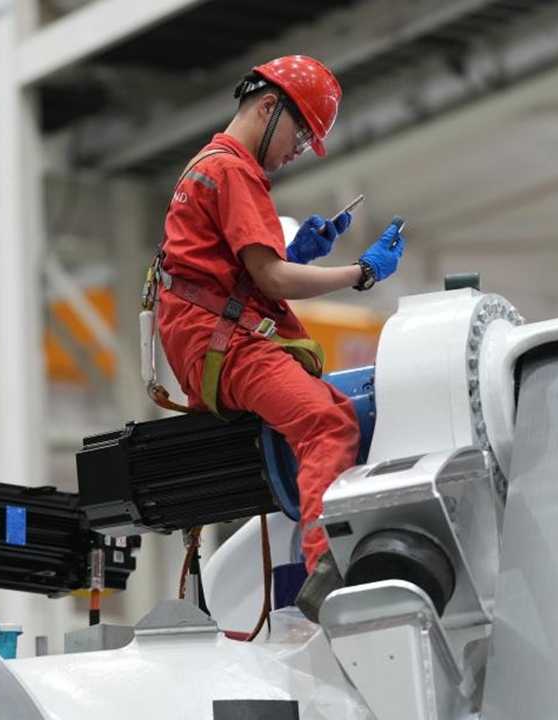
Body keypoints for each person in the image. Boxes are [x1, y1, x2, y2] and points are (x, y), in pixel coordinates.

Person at [151, 55, 406, 621]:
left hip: (206, 337)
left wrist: (299, 253)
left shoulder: (209, 165)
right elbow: (271, 281)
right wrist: (360, 274)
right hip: (221, 342)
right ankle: (325, 566)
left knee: (331, 407)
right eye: (300, 133)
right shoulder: (236, 172)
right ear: (269, 107)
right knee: (330, 421)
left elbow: (235, 273)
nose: (298, 149)